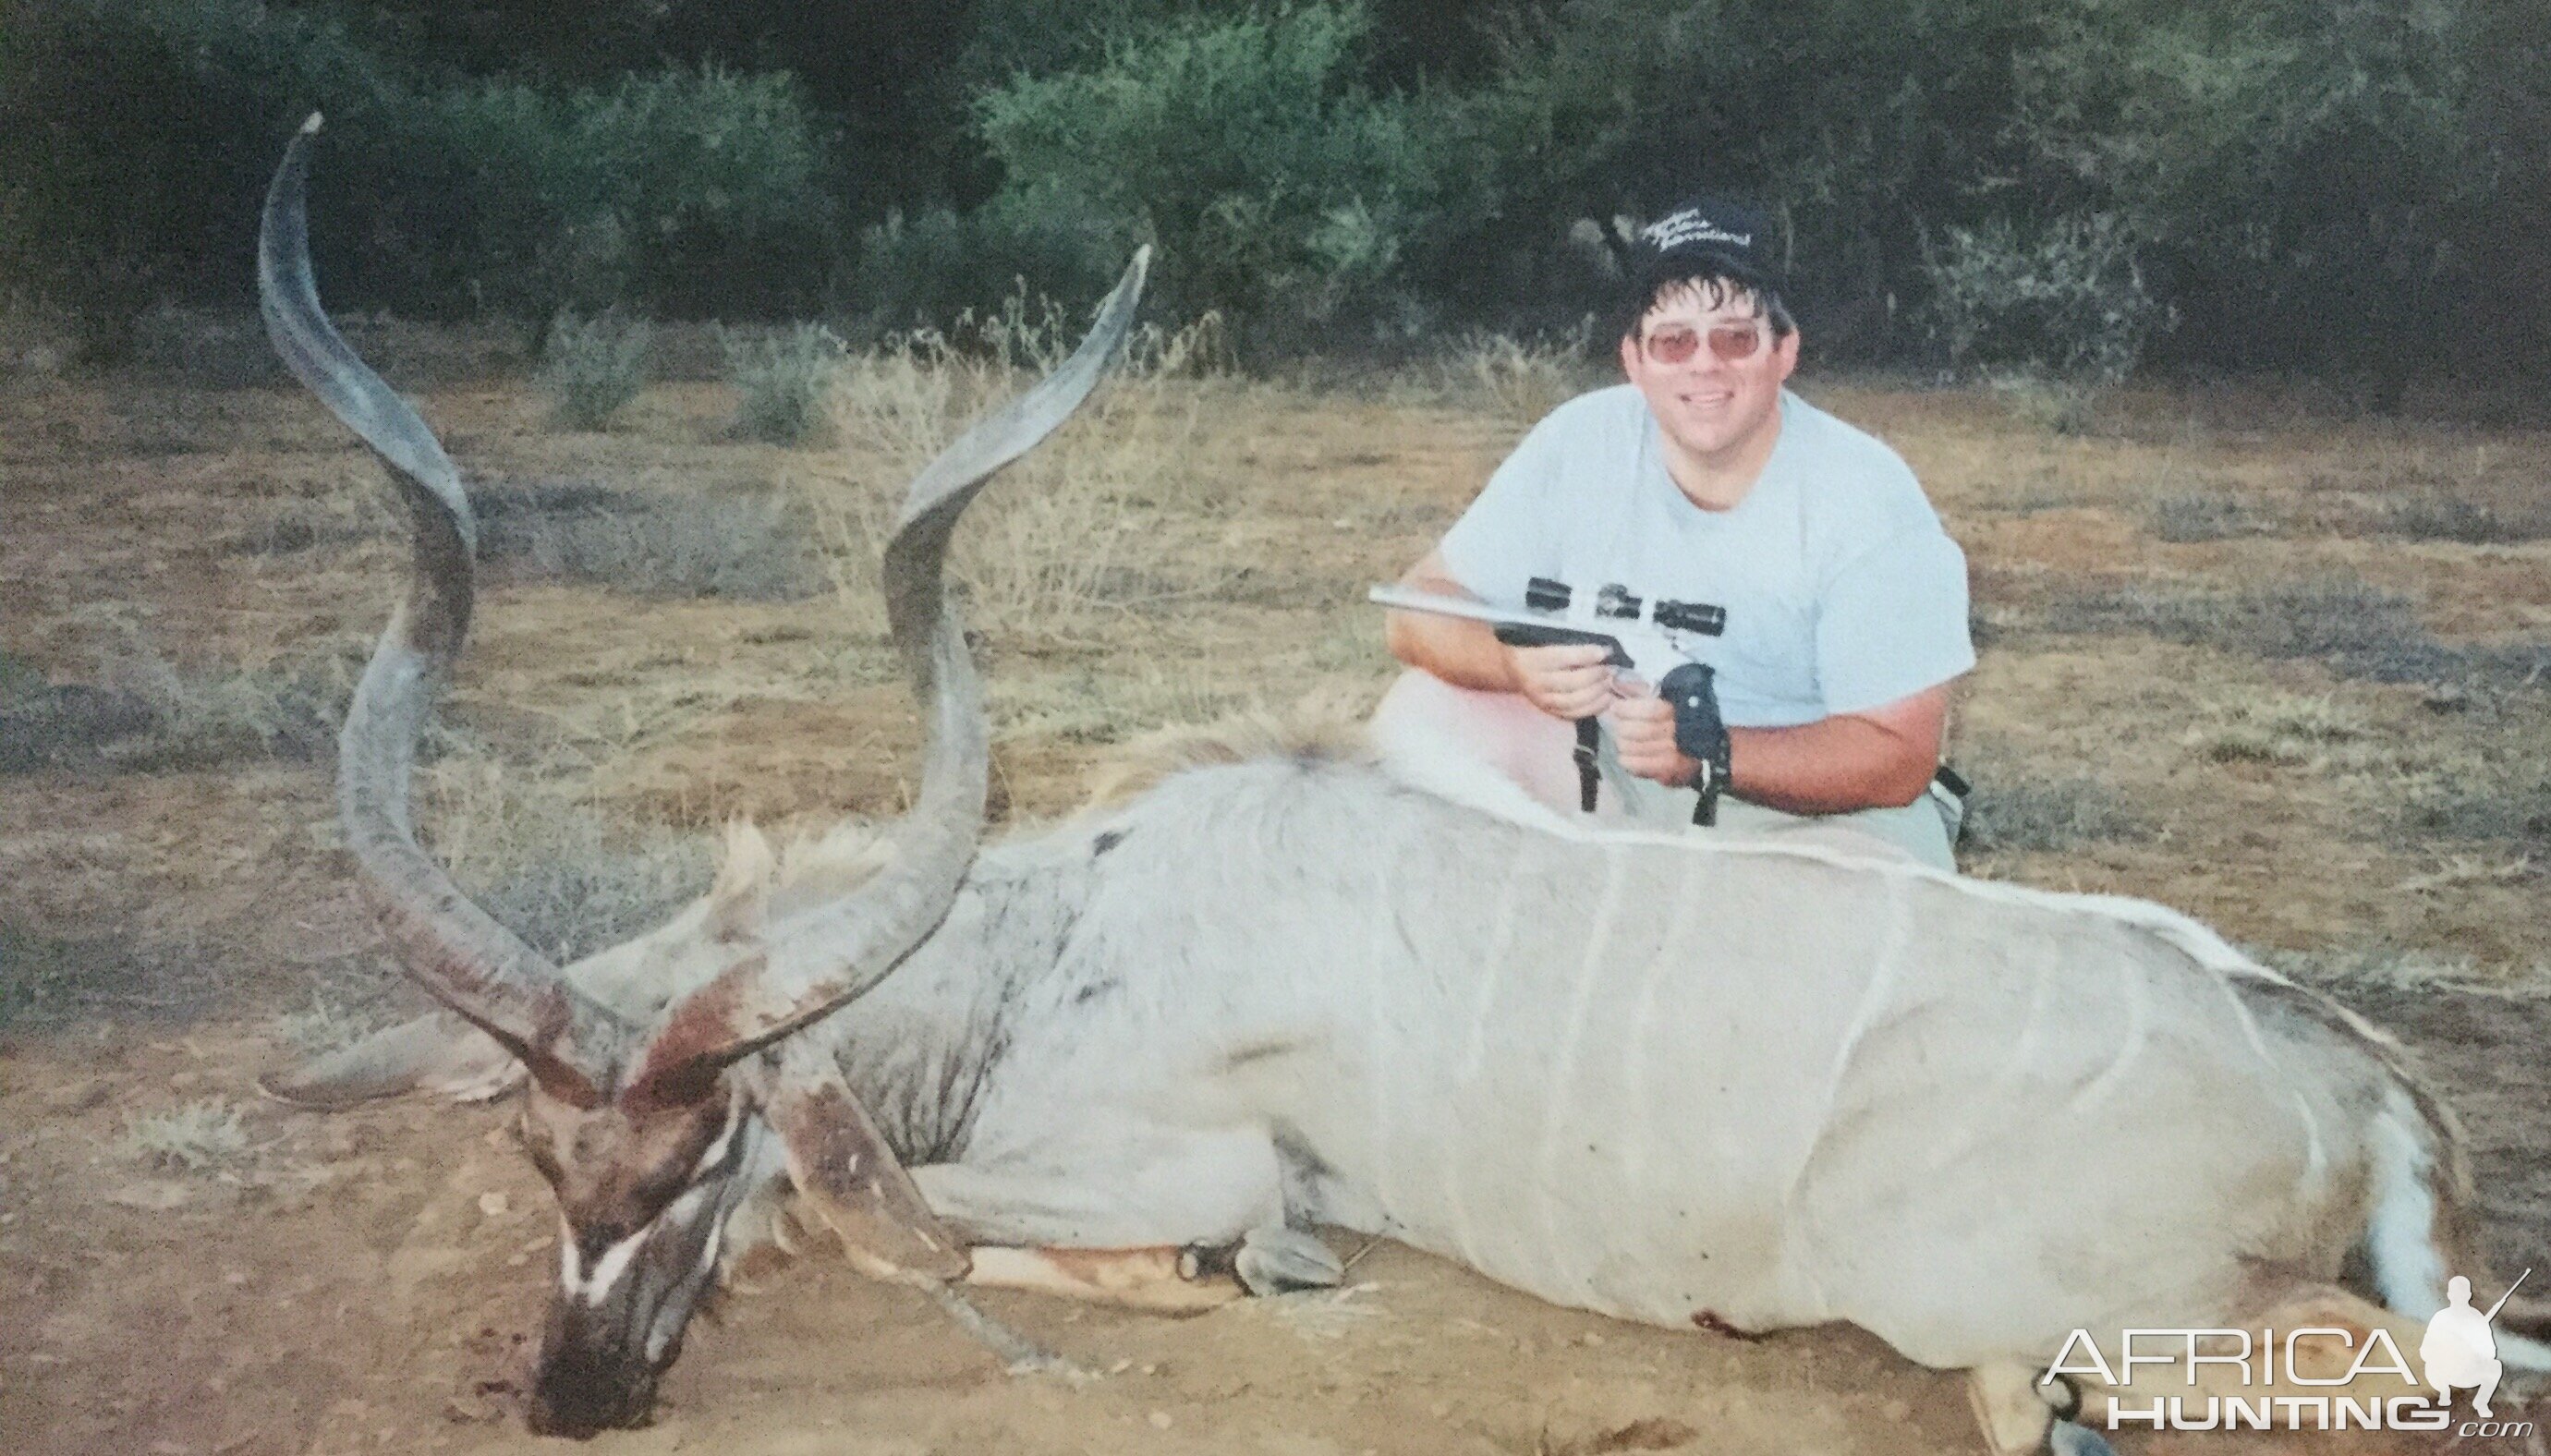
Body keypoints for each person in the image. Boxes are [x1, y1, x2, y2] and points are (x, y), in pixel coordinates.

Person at [1377, 197, 1974, 868]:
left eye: (1734, 338)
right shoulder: (1580, 439)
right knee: (1424, 720)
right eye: (1672, 340)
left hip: (1807, 816)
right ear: (1633, 360)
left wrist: (1710, 752)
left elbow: (1897, 757)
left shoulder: (1866, 499)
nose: (1703, 365)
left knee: (1855, 908)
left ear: (1784, 352)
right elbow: (1414, 609)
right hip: (1607, 769)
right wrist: (1510, 664)